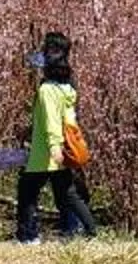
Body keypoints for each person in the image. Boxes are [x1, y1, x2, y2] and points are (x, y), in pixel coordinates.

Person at [16, 31, 98, 241]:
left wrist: (54, 145)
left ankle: (28, 237)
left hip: (46, 153)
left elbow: (52, 120)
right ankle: (91, 230)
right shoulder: (68, 88)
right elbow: (69, 120)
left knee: (27, 192)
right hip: (63, 150)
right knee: (68, 194)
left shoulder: (47, 90)